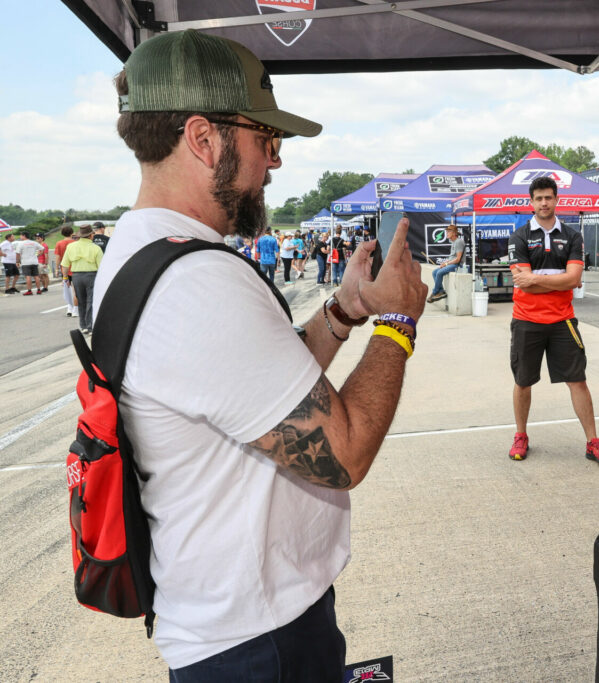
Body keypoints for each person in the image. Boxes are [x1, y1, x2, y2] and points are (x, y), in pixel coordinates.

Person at [95, 29, 427, 678]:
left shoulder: (143, 249)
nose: (275, 161)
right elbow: (343, 450)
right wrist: (397, 321)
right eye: (265, 139)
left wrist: (343, 312)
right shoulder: (196, 282)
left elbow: (259, 393)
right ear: (203, 138)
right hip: (257, 642)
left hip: (230, 622)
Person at [506, 176, 599, 465]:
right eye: (538, 198)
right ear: (531, 202)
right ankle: (521, 435)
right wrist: (561, 281)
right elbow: (524, 283)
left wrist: (540, 279)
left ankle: (593, 441)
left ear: (556, 200)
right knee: (523, 381)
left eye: (548, 197)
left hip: (562, 321)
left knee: (578, 380)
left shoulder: (572, 235)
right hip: (526, 320)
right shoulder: (518, 237)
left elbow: (574, 278)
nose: (544, 202)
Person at [60, 224, 103, 333]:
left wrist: (65, 278)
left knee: (81, 300)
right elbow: (102, 267)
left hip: (76, 276)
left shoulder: (71, 247)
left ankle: (83, 326)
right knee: (90, 301)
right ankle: (90, 326)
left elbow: (65, 264)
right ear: (91, 235)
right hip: (91, 276)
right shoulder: (96, 248)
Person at [426, 223, 465, 303]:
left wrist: (446, 264)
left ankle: (434, 292)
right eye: (446, 232)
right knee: (435, 272)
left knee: (439, 273)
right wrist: (445, 262)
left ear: (454, 233)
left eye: (448, 232)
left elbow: (458, 259)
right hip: (452, 264)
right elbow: (452, 257)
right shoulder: (453, 242)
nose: (446, 233)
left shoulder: (459, 242)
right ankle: (441, 291)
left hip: (457, 265)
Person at [54, 225, 77, 316]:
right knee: (75, 290)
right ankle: (75, 309)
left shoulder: (59, 243)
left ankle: (69, 307)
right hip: (75, 268)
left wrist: (56, 269)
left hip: (64, 269)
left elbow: (58, 257)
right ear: (72, 233)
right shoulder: (75, 243)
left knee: (67, 289)